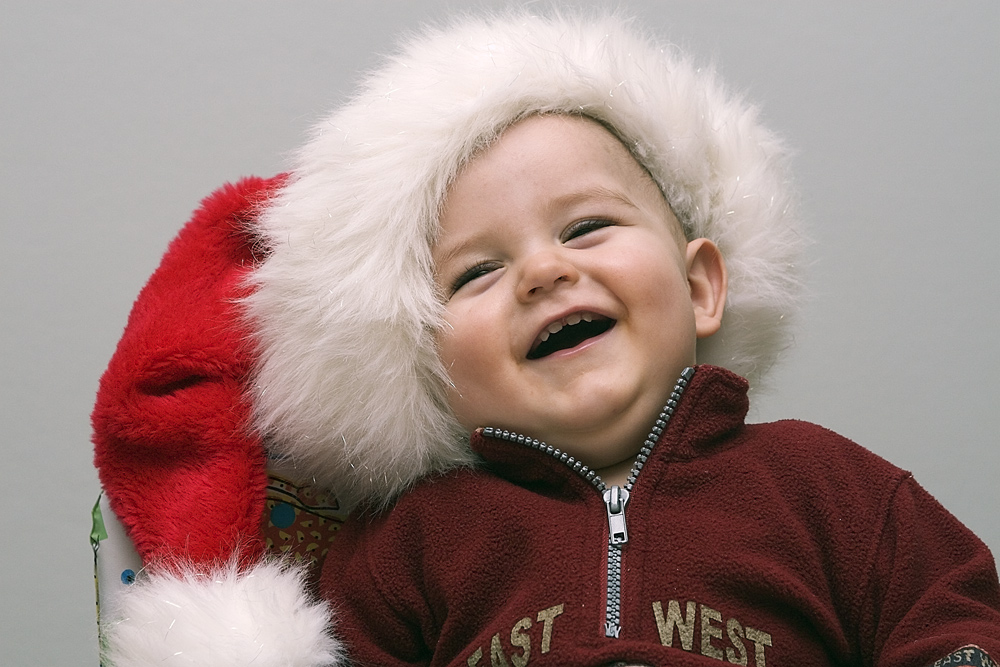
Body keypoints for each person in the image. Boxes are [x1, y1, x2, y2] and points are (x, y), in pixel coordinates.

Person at [94, 11, 1000, 667]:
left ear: (699, 285)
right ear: (431, 369)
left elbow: (953, 610)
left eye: (586, 227)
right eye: (476, 273)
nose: (540, 272)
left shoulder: (826, 487)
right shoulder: (417, 540)